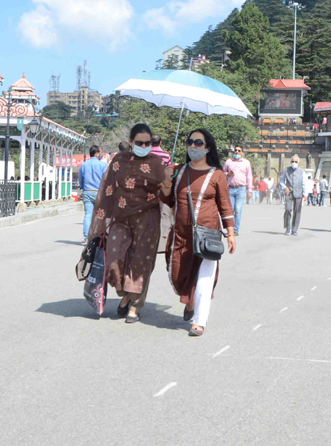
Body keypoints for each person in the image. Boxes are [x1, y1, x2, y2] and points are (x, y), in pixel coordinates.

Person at [86, 124, 172, 324]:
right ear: (131, 142)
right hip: (121, 218)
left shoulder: (158, 163)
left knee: (141, 262)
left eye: (147, 143)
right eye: (140, 142)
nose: (144, 145)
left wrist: (167, 180)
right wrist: (102, 220)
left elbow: (167, 197)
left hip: (148, 218)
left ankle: (135, 305)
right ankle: (125, 295)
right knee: (114, 260)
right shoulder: (118, 161)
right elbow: (108, 189)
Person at [163, 128, 236, 336]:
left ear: (207, 148)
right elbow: (167, 200)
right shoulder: (178, 171)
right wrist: (167, 181)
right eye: (190, 142)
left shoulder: (218, 175)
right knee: (177, 274)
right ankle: (190, 301)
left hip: (207, 236)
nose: (193, 146)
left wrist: (230, 233)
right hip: (180, 234)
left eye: (198, 143)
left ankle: (199, 321)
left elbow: (225, 206)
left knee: (204, 277)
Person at [79, 145, 108, 242]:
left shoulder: (84, 165)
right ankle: (98, 236)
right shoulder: (103, 165)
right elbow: (106, 180)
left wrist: (83, 188)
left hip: (87, 192)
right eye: (100, 153)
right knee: (100, 215)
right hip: (99, 193)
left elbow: (81, 179)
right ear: (96, 154)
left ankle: (87, 237)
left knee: (88, 214)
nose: (101, 155)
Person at [223, 145, 253, 237]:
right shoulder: (229, 162)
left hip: (241, 188)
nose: (236, 152)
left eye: (239, 150)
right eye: (235, 150)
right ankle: (230, 229)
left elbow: (249, 176)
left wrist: (250, 190)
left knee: (238, 209)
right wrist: (228, 174)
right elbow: (222, 173)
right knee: (230, 210)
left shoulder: (246, 163)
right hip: (231, 188)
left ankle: (236, 230)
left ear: (242, 152)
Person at [280, 155, 305, 236]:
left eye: (295, 162)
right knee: (288, 209)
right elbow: (282, 180)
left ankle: (294, 229)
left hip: (298, 192)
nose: (294, 163)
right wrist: (285, 187)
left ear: (299, 163)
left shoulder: (302, 171)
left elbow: (304, 183)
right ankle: (288, 227)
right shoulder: (286, 170)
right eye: (292, 161)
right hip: (289, 192)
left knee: (297, 211)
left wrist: (305, 193)